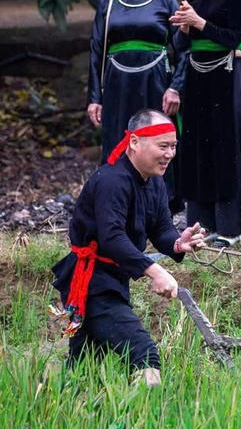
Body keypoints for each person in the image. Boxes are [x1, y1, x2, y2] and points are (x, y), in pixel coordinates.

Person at [50, 109, 208, 386]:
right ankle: (149, 420)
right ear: (134, 142)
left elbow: (160, 228)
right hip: (92, 285)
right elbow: (112, 238)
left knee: (85, 363)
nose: (170, 154)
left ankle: (61, 409)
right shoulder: (112, 181)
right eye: (163, 146)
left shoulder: (155, 181)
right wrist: (156, 271)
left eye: (173, 146)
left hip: (112, 281)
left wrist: (177, 243)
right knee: (143, 353)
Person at [170, 0, 241, 247]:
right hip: (196, 77)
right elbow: (182, 44)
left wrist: (198, 23)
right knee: (196, 148)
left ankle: (231, 231)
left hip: (226, 74)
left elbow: (233, 37)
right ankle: (201, 227)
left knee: (226, 147)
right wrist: (182, 28)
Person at [86, 0, 182, 207]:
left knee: (156, 142)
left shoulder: (166, 1)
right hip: (117, 85)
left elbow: (183, 50)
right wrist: (95, 97)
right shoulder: (108, 1)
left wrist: (176, 86)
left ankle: (159, 209)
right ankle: (116, 205)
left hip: (154, 83)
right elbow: (97, 50)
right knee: (118, 142)